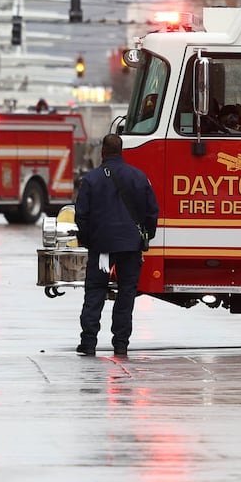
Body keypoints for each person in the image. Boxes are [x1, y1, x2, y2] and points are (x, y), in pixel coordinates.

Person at [74, 133, 159, 357]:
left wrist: (87, 240)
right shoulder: (139, 177)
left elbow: (81, 215)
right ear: (121, 151)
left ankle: (88, 341)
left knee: (95, 291)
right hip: (131, 247)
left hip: (102, 247)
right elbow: (152, 211)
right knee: (126, 294)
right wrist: (146, 236)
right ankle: (121, 343)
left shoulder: (91, 179)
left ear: (102, 152)